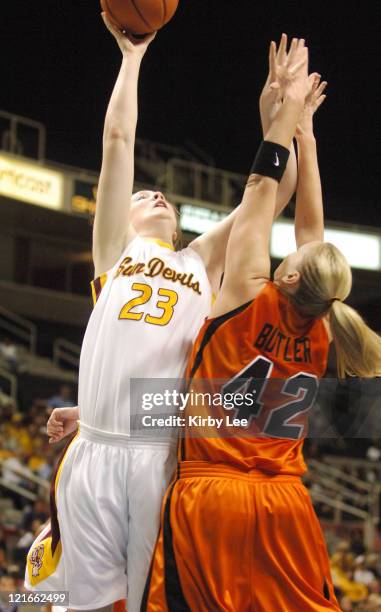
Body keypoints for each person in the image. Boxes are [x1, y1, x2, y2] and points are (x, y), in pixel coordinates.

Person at [25, 19, 298, 612]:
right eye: (140, 195)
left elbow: (273, 195)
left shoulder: (202, 260)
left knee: (153, 600)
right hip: (94, 451)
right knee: (73, 602)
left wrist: (282, 123)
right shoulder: (113, 255)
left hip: (159, 452)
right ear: (117, 219)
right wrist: (132, 57)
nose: (154, 195)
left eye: (161, 196)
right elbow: (118, 139)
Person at [142, 36, 381, 611]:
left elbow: (260, 191)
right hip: (285, 505)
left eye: (291, 262)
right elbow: (311, 234)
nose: (287, 256)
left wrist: (285, 116)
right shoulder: (323, 325)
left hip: (213, 494)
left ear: (293, 278)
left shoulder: (248, 293)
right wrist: (305, 135)